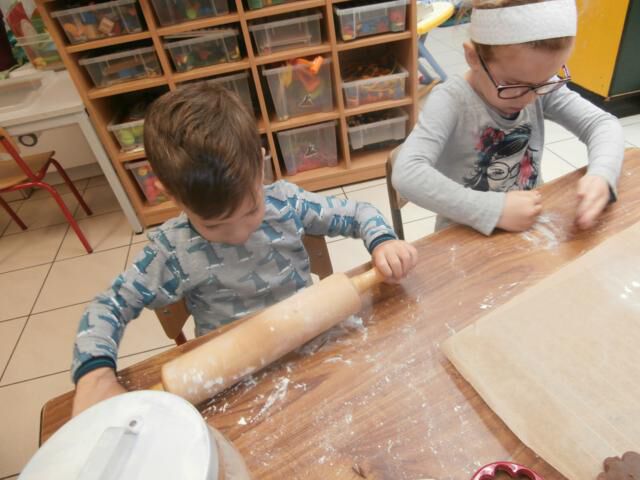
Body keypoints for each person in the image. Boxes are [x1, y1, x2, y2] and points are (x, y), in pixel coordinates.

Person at [71, 83, 418, 416]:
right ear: (169, 194)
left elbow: (359, 213)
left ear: (260, 162)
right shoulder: (173, 250)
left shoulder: (286, 204)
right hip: (233, 382)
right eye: (214, 225)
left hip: (309, 348)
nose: (239, 234)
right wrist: (95, 376)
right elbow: (109, 305)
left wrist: (383, 242)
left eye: (251, 210)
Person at [393, 0, 624, 235]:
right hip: (465, 237)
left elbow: (602, 124)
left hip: (530, 225)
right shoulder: (451, 101)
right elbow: (407, 173)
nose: (530, 98)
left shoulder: (534, 83)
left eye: (544, 82)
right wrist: (494, 210)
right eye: (513, 84)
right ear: (473, 57)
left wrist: (602, 174)